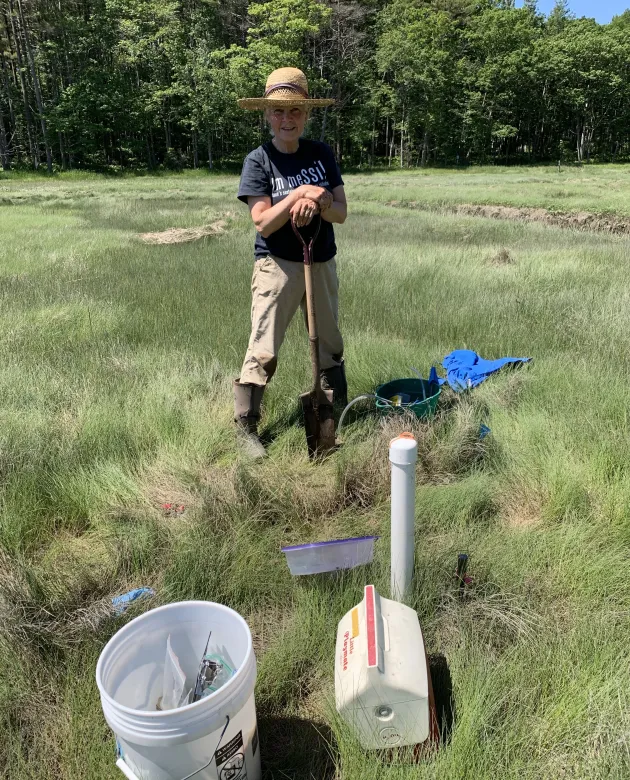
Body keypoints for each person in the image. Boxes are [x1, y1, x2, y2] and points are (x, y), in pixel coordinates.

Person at [234, 67, 348, 457]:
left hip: (321, 262)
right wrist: (299, 192)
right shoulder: (259, 161)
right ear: (267, 115)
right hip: (277, 265)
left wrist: (321, 201)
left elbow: (341, 213)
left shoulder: (321, 153)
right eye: (279, 112)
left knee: (329, 343)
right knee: (264, 345)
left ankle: (334, 414)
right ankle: (246, 428)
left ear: (306, 114)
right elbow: (264, 222)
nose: (287, 119)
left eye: (295, 111)